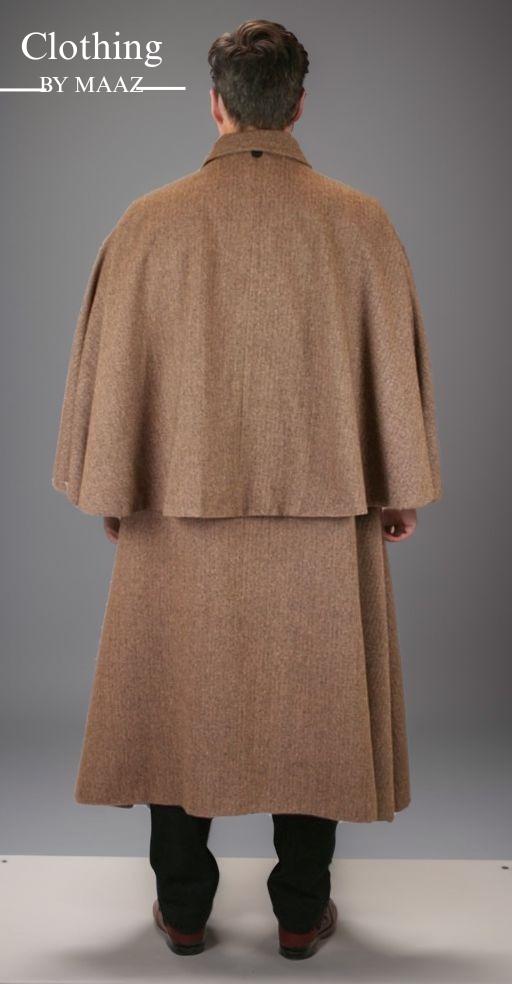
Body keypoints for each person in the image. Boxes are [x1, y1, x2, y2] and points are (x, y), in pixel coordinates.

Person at [51, 19, 443, 960]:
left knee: (175, 696)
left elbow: (106, 371)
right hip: (324, 507)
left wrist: (116, 488)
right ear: (297, 105)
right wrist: (397, 490)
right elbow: (395, 370)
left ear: (216, 104)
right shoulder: (360, 221)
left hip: (178, 505)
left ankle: (184, 909)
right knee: (316, 704)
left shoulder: (147, 221)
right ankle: (301, 913)